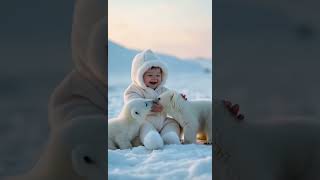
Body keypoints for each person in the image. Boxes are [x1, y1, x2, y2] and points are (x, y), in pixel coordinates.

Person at [124, 49, 182, 150]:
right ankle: (151, 139)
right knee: (143, 127)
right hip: (145, 121)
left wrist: (179, 99)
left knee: (173, 122)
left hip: (162, 121)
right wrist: (150, 108)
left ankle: (169, 136)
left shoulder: (163, 90)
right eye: (150, 75)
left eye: (158, 75)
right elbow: (132, 104)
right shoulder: (134, 90)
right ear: (139, 76)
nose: (154, 78)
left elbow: (172, 99)